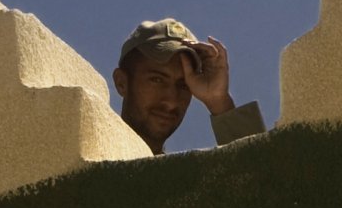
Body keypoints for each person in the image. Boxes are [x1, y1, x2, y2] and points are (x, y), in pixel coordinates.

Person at [112, 18, 266, 155]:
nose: (171, 102)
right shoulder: (88, 161)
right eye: (157, 80)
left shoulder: (179, 183)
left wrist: (219, 101)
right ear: (121, 83)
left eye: (184, 86)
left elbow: (266, 183)